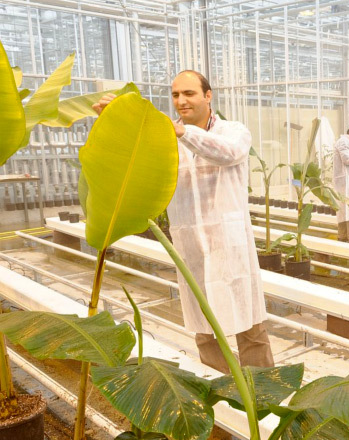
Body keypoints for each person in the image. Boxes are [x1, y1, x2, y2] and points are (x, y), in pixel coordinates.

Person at [92, 70, 274, 373]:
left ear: (207, 95)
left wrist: (183, 133)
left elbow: (228, 154)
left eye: (189, 93)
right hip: (190, 243)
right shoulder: (165, 135)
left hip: (229, 242)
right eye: (176, 94)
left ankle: (266, 391)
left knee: (250, 323)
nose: (180, 101)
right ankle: (222, 389)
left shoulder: (234, 131)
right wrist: (114, 122)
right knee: (203, 328)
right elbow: (135, 162)